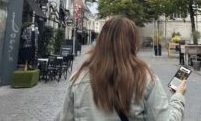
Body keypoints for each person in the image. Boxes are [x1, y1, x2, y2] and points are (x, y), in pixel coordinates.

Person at [58, 16, 187, 121]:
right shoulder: (145, 78)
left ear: (101, 41)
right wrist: (178, 96)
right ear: (133, 43)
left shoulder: (78, 78)